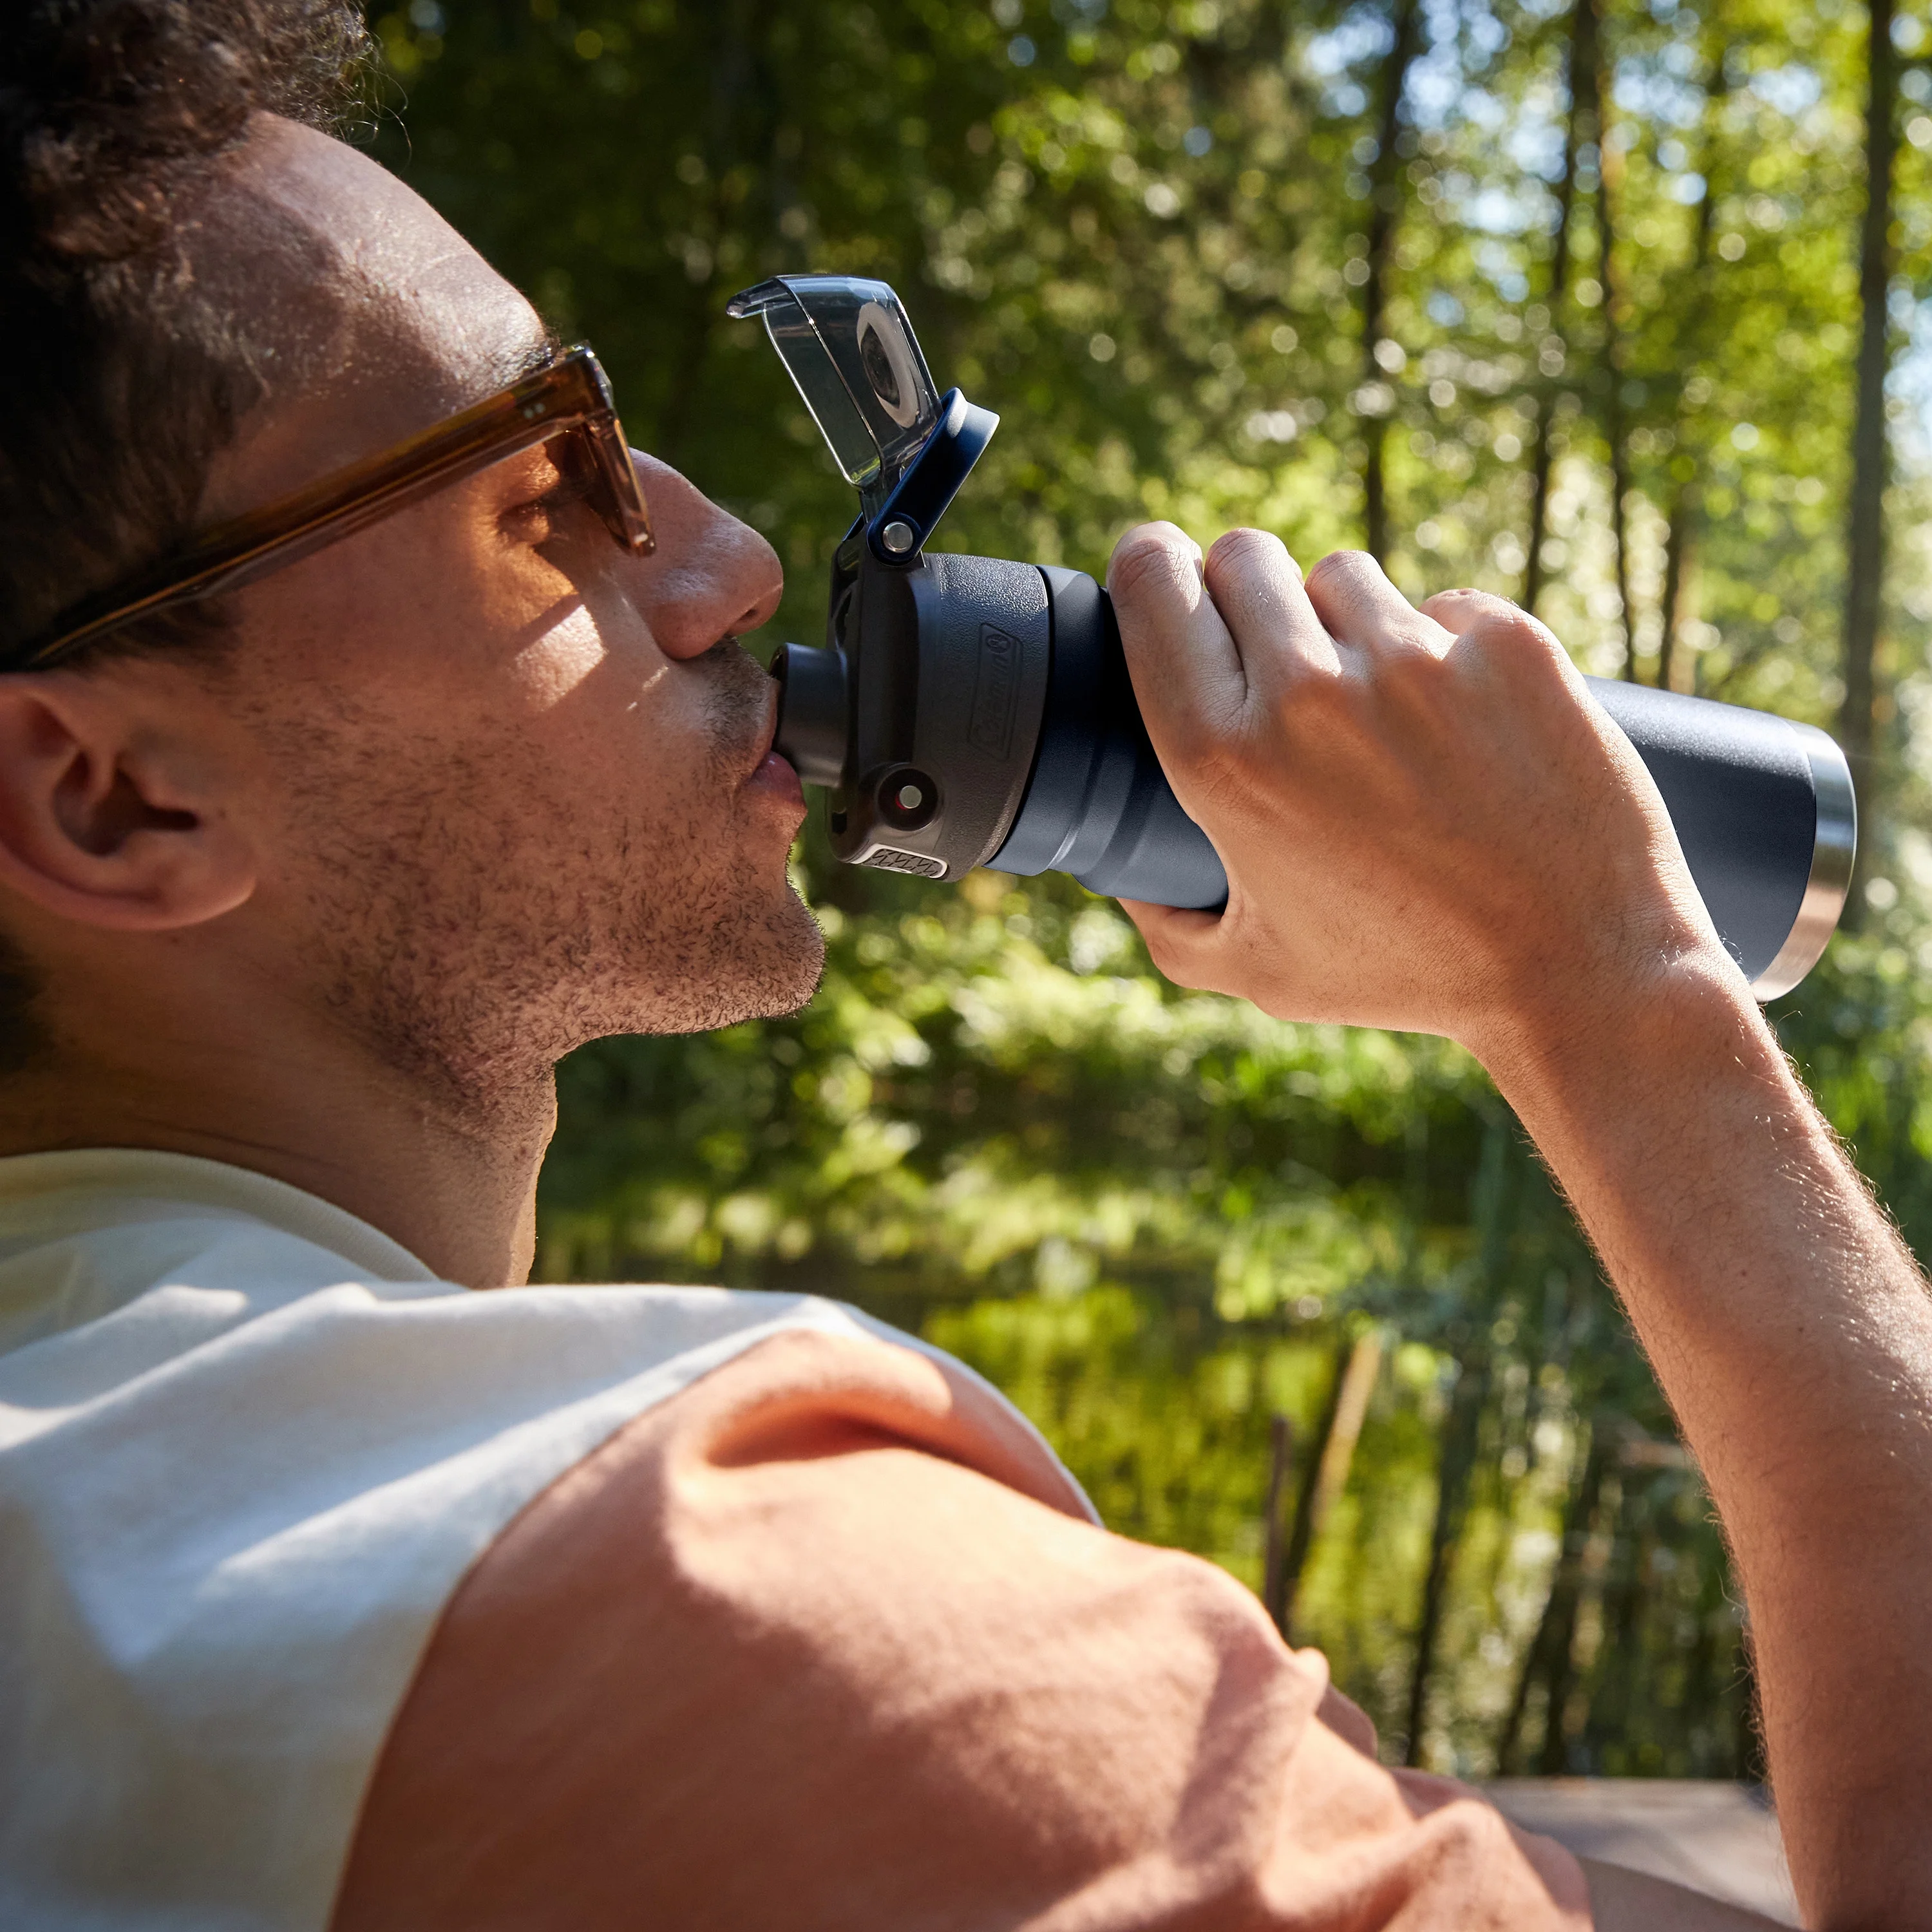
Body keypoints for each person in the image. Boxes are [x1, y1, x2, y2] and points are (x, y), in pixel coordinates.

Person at [0, 5, 1924, 1929]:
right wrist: (1608, 979)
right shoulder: (724, 1600)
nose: (729, 560)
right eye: (546, 484)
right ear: (108, 802)